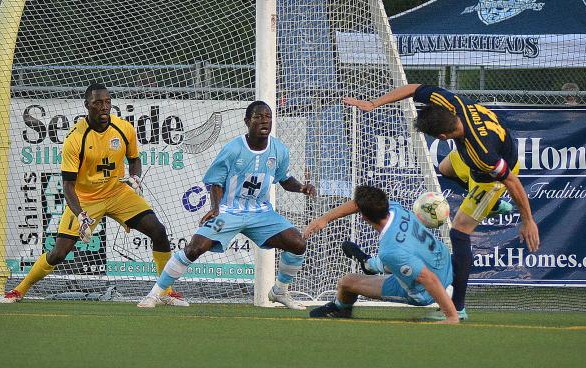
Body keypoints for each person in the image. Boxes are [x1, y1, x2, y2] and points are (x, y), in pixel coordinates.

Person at [344, 84, 540, 320]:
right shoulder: (453, 103)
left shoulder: (483, 154)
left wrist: (527, 220)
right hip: (474, 157)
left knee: (459, 232)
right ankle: (493, 205)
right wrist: (374, 104)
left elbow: (512, 181)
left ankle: (457, 307)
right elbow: (414, 88)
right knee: (445, 168)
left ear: (442, 137)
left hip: (492, 179)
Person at [0, 83, 186, 306]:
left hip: (118, 193)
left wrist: (135, 177)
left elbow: (134, 159)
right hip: (86, 199)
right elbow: (68, 185)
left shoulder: (124, 128)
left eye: (107, 102)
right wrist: (80, 214)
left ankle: (166, 292)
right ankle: (18, 291)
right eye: (98, 103)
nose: (104, 107)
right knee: (58, 254)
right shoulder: (75, 139)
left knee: (159, 231)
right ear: (87, 105)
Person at [137, 101, 316, 309]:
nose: (264, 120)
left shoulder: (279, 150)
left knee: (298, 243)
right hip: (229, 211)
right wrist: (215, 208)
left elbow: (284, 179)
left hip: (260, 212)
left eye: (267, 116)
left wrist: (301, 188)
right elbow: (216, 181)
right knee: (195, 248)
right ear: (247, 122)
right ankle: (155, 294)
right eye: (258, 117)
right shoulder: (233, 149)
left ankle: (280, 292)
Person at [304, 185, 459, 324]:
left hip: (425, 291)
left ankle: (341, 305)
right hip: (447, 265)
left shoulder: (390, 249)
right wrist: (325, 219)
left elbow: (427, 278)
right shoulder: (395, 209)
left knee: (346, 282)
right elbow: (358, 204)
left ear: (363, 217)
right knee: (400, 261)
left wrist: (451, 316)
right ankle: (368, 264)